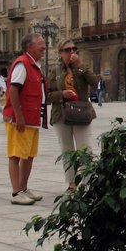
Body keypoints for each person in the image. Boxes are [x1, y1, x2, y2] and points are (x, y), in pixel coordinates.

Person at [47, 39, 99, 191]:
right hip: (61, 114)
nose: (71, 52)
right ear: (60, 53)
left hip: (81, 112)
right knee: (67, 149)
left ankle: (87, 181)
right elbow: (49, 95)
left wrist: (80, 65)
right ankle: (72, 183)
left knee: (85, 148)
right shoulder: (55, 71)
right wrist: (62, 94)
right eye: (67, 50)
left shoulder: (82, 67)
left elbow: (94, 81)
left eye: (74, 49)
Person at [3, 33, 48, 205]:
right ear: (29, 47)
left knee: (29, 155)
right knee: (16, 154)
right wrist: (19, 116)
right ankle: (16, 192)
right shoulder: (23, 64)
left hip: (32, 117)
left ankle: (23, 187)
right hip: (20, 119)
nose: (44, 47)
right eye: (40, 44)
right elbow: (14, 90)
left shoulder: (34, 65)